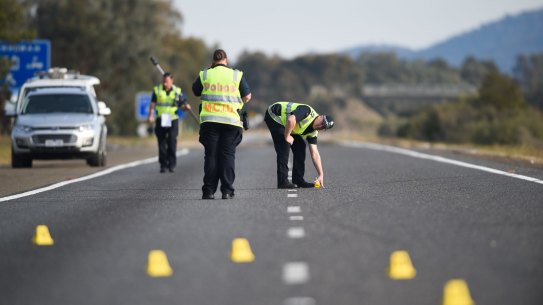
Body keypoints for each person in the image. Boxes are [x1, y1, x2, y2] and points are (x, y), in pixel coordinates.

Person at [192, 49, 252, 199]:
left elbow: (195, 91)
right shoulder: (236, 75)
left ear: (213, 60)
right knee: (227, 156)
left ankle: (209, 191)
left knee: (211, 156)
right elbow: (247, 97)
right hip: (231, 121)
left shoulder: (205, 74)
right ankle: (226, 191)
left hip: (210, 121)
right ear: (226, 60)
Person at [264, 101, 334, 189]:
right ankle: (282, 182)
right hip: (274, 115)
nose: (321, 126)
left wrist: (321, 174)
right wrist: (287, 136)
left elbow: (315, 153)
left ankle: (298, 180)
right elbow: (290, 120)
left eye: (324, 127)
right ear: (320, 116)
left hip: (288, 125)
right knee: (284, 144)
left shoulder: (313, 132)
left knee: (301, 147)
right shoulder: (307, 112)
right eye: (322, 122)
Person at [147, 72, 191, 173]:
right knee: (161, 142)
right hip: (161, 119)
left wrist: (186, 107)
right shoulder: (157, 90)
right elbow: (153, 104)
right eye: (163, 81)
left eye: (167, 82)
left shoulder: (177, 91)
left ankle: (171, 164)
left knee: (171, 140)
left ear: (172, 81)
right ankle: (163, 164)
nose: (165, 84)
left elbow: (181, 105)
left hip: (173, 118)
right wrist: (150, 115)